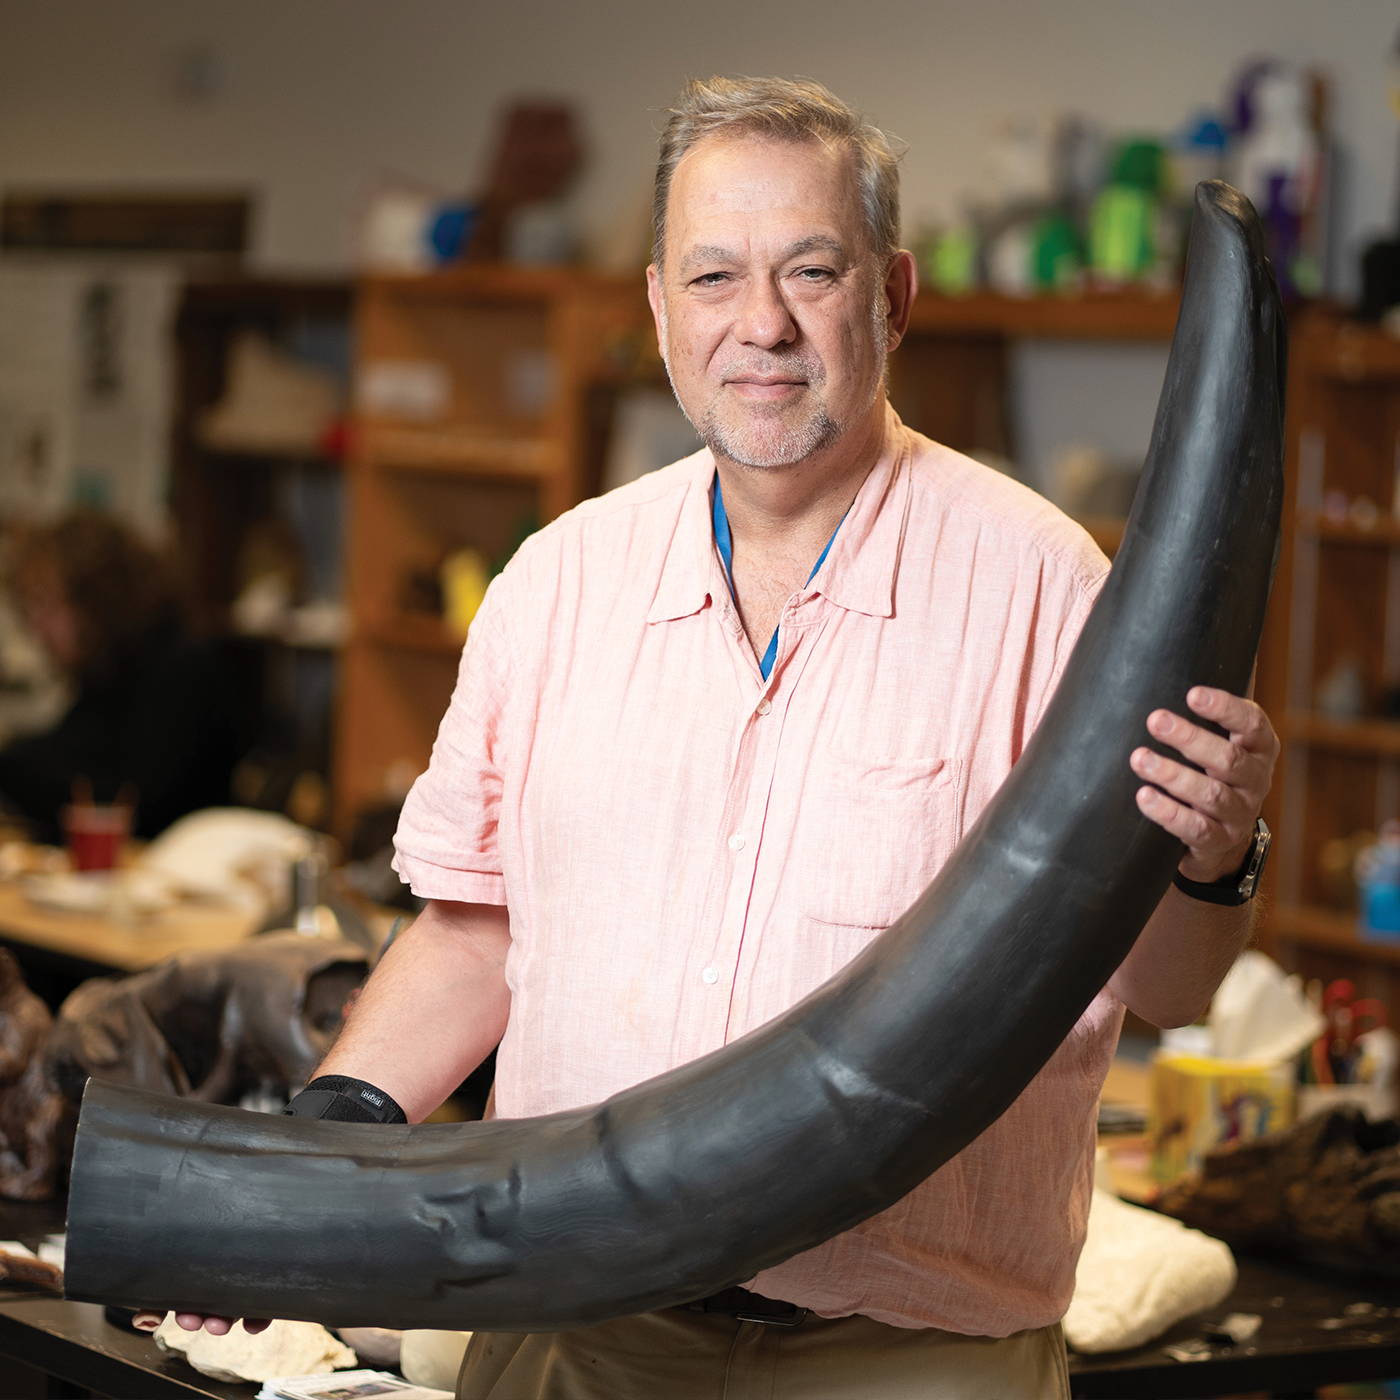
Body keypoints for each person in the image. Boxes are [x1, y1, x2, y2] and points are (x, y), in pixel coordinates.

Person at [147, 78, 1278, 1398]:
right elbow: (478, 933)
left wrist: (1215, 855)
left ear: (894, 295)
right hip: (578, 1315)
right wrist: (329, 1137)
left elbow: (1169, 985)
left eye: (813, 271)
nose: (763, 326)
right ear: (657, 309)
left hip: (904, 1352)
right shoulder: (556, 583)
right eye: (714, 277)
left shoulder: (1048, 592)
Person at [0, 511, 245, 842]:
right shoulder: (108, 670)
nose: (35, 627)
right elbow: (63, 754)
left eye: (44, 604)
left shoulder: (180, 672)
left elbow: (129, 806)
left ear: (95, 598)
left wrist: (9, 767)